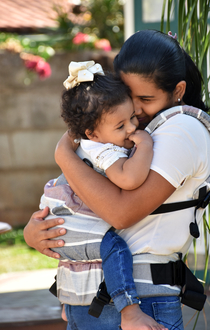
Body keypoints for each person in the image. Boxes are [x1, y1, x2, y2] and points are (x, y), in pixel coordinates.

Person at [24, 29, 210, 330]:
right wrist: (39, 230)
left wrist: (64, 155)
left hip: (139, 302)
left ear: (177, 90)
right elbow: (79, 194)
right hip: (88, 298)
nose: (136, 110)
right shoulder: (130, 133)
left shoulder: (182, 129)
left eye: (146, 98)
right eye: (129, 96)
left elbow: (120, 213)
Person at [40, 60, 167, 329]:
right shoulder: (102, 149)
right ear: (92, 133)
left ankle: (68, 303)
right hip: (75, 216)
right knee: (115, 249)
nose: (132, 128)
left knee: (75, 259)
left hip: (68, 216)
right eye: (120, 126)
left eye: (132, 117)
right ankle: (129, 310)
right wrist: (145, 145)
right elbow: (129, 179)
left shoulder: (95, 141)